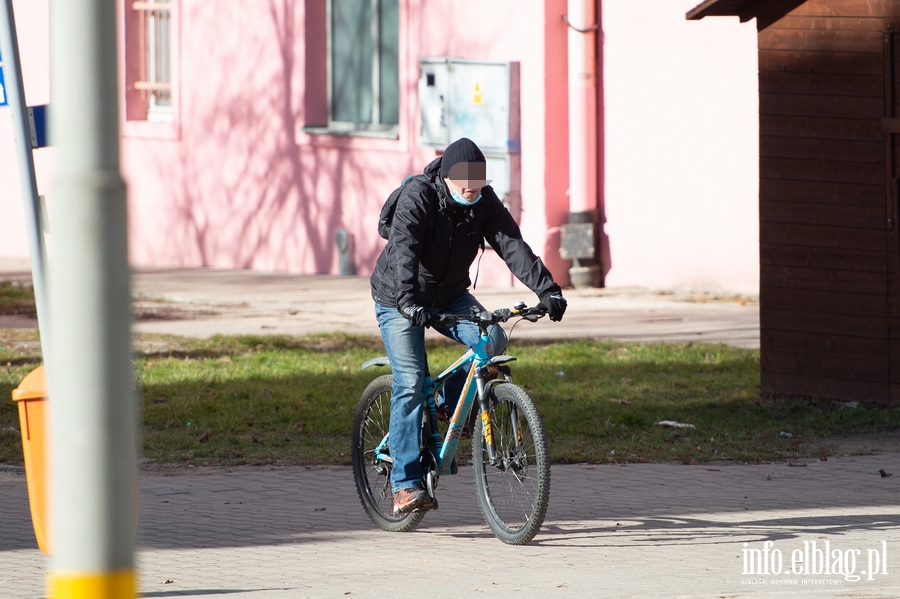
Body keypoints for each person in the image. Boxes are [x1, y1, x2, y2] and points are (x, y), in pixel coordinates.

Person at [370, 137, 567, 515]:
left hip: (448, 296)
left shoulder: (484, 202)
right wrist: (409, 302)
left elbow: (513, 247)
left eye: (477, 188)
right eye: (465, 189)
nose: (472, 195)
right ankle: (405, 485)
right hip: (398, 296)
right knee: (410, 381)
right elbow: (405, 250)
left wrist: (549, 290)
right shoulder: (418, 197)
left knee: (492, 336)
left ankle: (446, 402)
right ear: (446, 180)